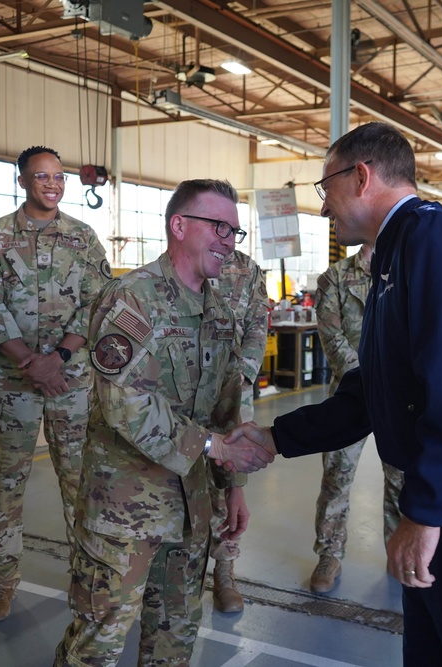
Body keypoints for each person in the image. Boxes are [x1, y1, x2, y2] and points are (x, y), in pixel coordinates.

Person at [227, 121, 442, 666]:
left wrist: (425, 514)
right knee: (436, 653)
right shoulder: (398, 251)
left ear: (361, 176)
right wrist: (276, 436)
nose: (323, 209)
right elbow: (376, 390)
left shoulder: (440, 241)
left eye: (325, 189)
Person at [53, 179, 274, 667]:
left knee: (174, 641)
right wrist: (215, 448)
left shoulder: (218, 312)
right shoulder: (132, 300)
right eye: (218, 226)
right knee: (97, 644)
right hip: (124, 515)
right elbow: (124, 402)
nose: (227, 240)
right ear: (178, 225)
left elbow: (227, 406)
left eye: (234, 232)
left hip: (192, 510)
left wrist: (232, 487)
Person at [0, 145, 111, 623]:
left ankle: (88, 582)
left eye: (59, 177)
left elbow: (96, 304)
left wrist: (58, 358)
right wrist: (31, 363)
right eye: (42, 176)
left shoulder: (83, 238)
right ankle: (2, 584)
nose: (53, 184)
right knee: (7, 485)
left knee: (81, 484)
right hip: (13, 384)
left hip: (70, 380)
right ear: (22, 180)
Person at [309, 242, 404, 593]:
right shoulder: (334, 278)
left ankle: (398, 552)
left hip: (399, 395)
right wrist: (365, 380)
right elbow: (331, 336)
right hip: (350, 393)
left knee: (401, 478)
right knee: (337, 477)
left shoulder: (407, 269)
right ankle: (329, 554)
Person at [208, 249, 268, 613]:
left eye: (231, 226)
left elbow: (258, 323)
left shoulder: (246, 269)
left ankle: (225, 572)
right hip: (181, 387)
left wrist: (241, 377)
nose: (225, 233)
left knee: (229, 480)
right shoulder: (174, 263)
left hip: (231, 389)